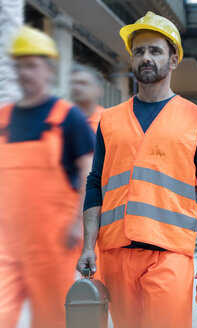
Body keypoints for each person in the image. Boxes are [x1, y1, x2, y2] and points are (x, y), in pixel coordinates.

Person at [76, 11, 197, 328]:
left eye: (155, 50)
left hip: (170, 252)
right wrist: (89, 245)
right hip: (116, 253)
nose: (146, 57)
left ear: (173, 60)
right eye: (139, 51)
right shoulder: (110, 120)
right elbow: (95, 185)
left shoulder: (196, 119)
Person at [0, 26, 94, 328]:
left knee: (50, 321)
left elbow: (88, 174)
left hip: (52, 246)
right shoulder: (3, 118)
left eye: (32, 65)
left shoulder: (68, 118)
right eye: (20, 65)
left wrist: (77, 224)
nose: (24, 72)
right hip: (6, 245)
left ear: (49, 69)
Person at [70, 64, 105, 132]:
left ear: (99, 91)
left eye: (83, 83)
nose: (76, 87)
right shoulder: (59, 118)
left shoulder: (108, 121)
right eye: (73, 83)